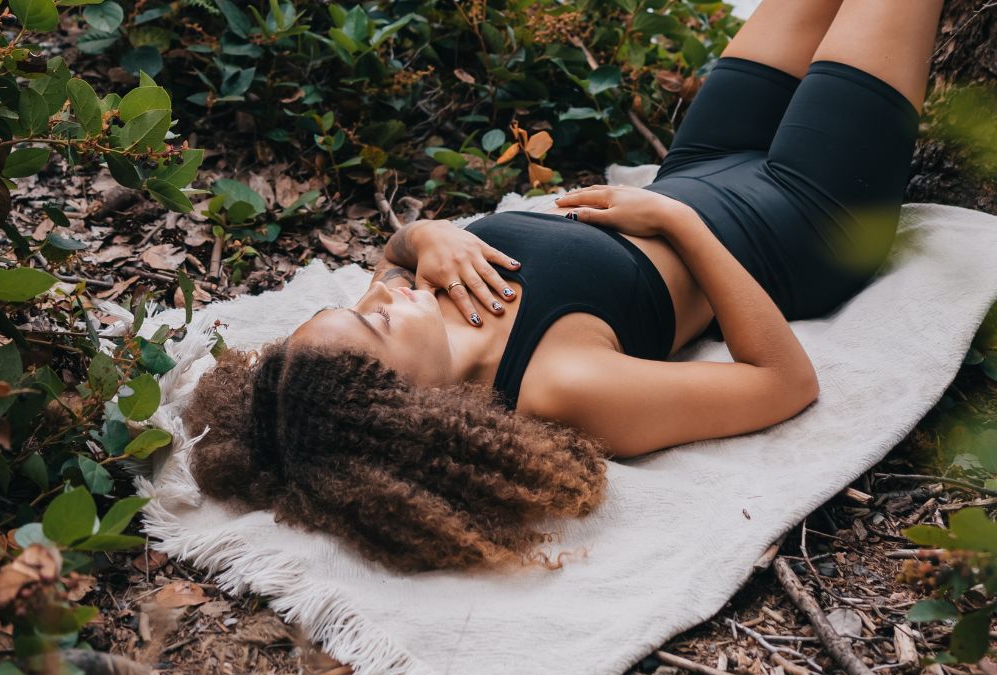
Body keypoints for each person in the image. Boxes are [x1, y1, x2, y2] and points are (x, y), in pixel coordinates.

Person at [184, 0, 944, 572]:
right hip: (804, 214)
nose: (383, 293)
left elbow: (390, 260)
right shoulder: (559, 383)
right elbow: (783, 381)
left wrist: (424, 236)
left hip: (701, 160)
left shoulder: (428, 291)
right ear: (403, 405)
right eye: (376, 322)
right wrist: (678, 225)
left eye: (357, 302)